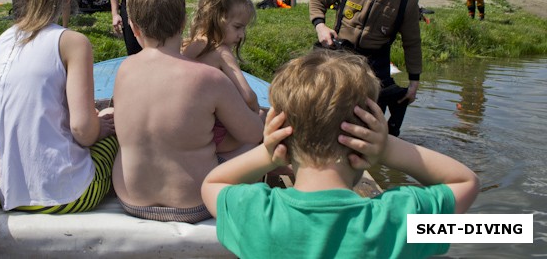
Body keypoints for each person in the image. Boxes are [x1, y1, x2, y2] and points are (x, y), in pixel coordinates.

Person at [202, 50, 480, 258]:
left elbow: (213, 184)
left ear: (283, 133)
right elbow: (465, 183)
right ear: (364, 136)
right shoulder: (396, 221)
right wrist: (387, 148)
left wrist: (268, 154)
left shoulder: (258, 214)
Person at [112, 0, 263, 223]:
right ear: (183, 21)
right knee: (255, 144)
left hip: (131, 199)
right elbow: (253, 133)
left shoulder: (124, 70)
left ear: (134, 27)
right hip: (193, 203)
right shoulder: (208, 78)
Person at [0, 0, 117, 213]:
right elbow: (83, 131)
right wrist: (100, 126)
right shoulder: (72, 42)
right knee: (116, 133)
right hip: (64, 194)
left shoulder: (3, 40)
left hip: (2, 189)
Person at [309, 0, 422, 137]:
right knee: (323, 103)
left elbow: (412, 43)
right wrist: (320, 26)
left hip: (376, 61)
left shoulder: (408, 0)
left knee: (369, 120)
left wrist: (414, 81)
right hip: (340, 53)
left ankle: (368, 157)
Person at [183, 0, 261, 153]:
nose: (241, 35)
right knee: (265, 122)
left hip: (189, 130)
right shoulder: (221, 51)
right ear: (217, 18)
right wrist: (256, 111)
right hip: (217, 137)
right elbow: (247, 96)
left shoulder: (188, 46)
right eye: (237, 27)